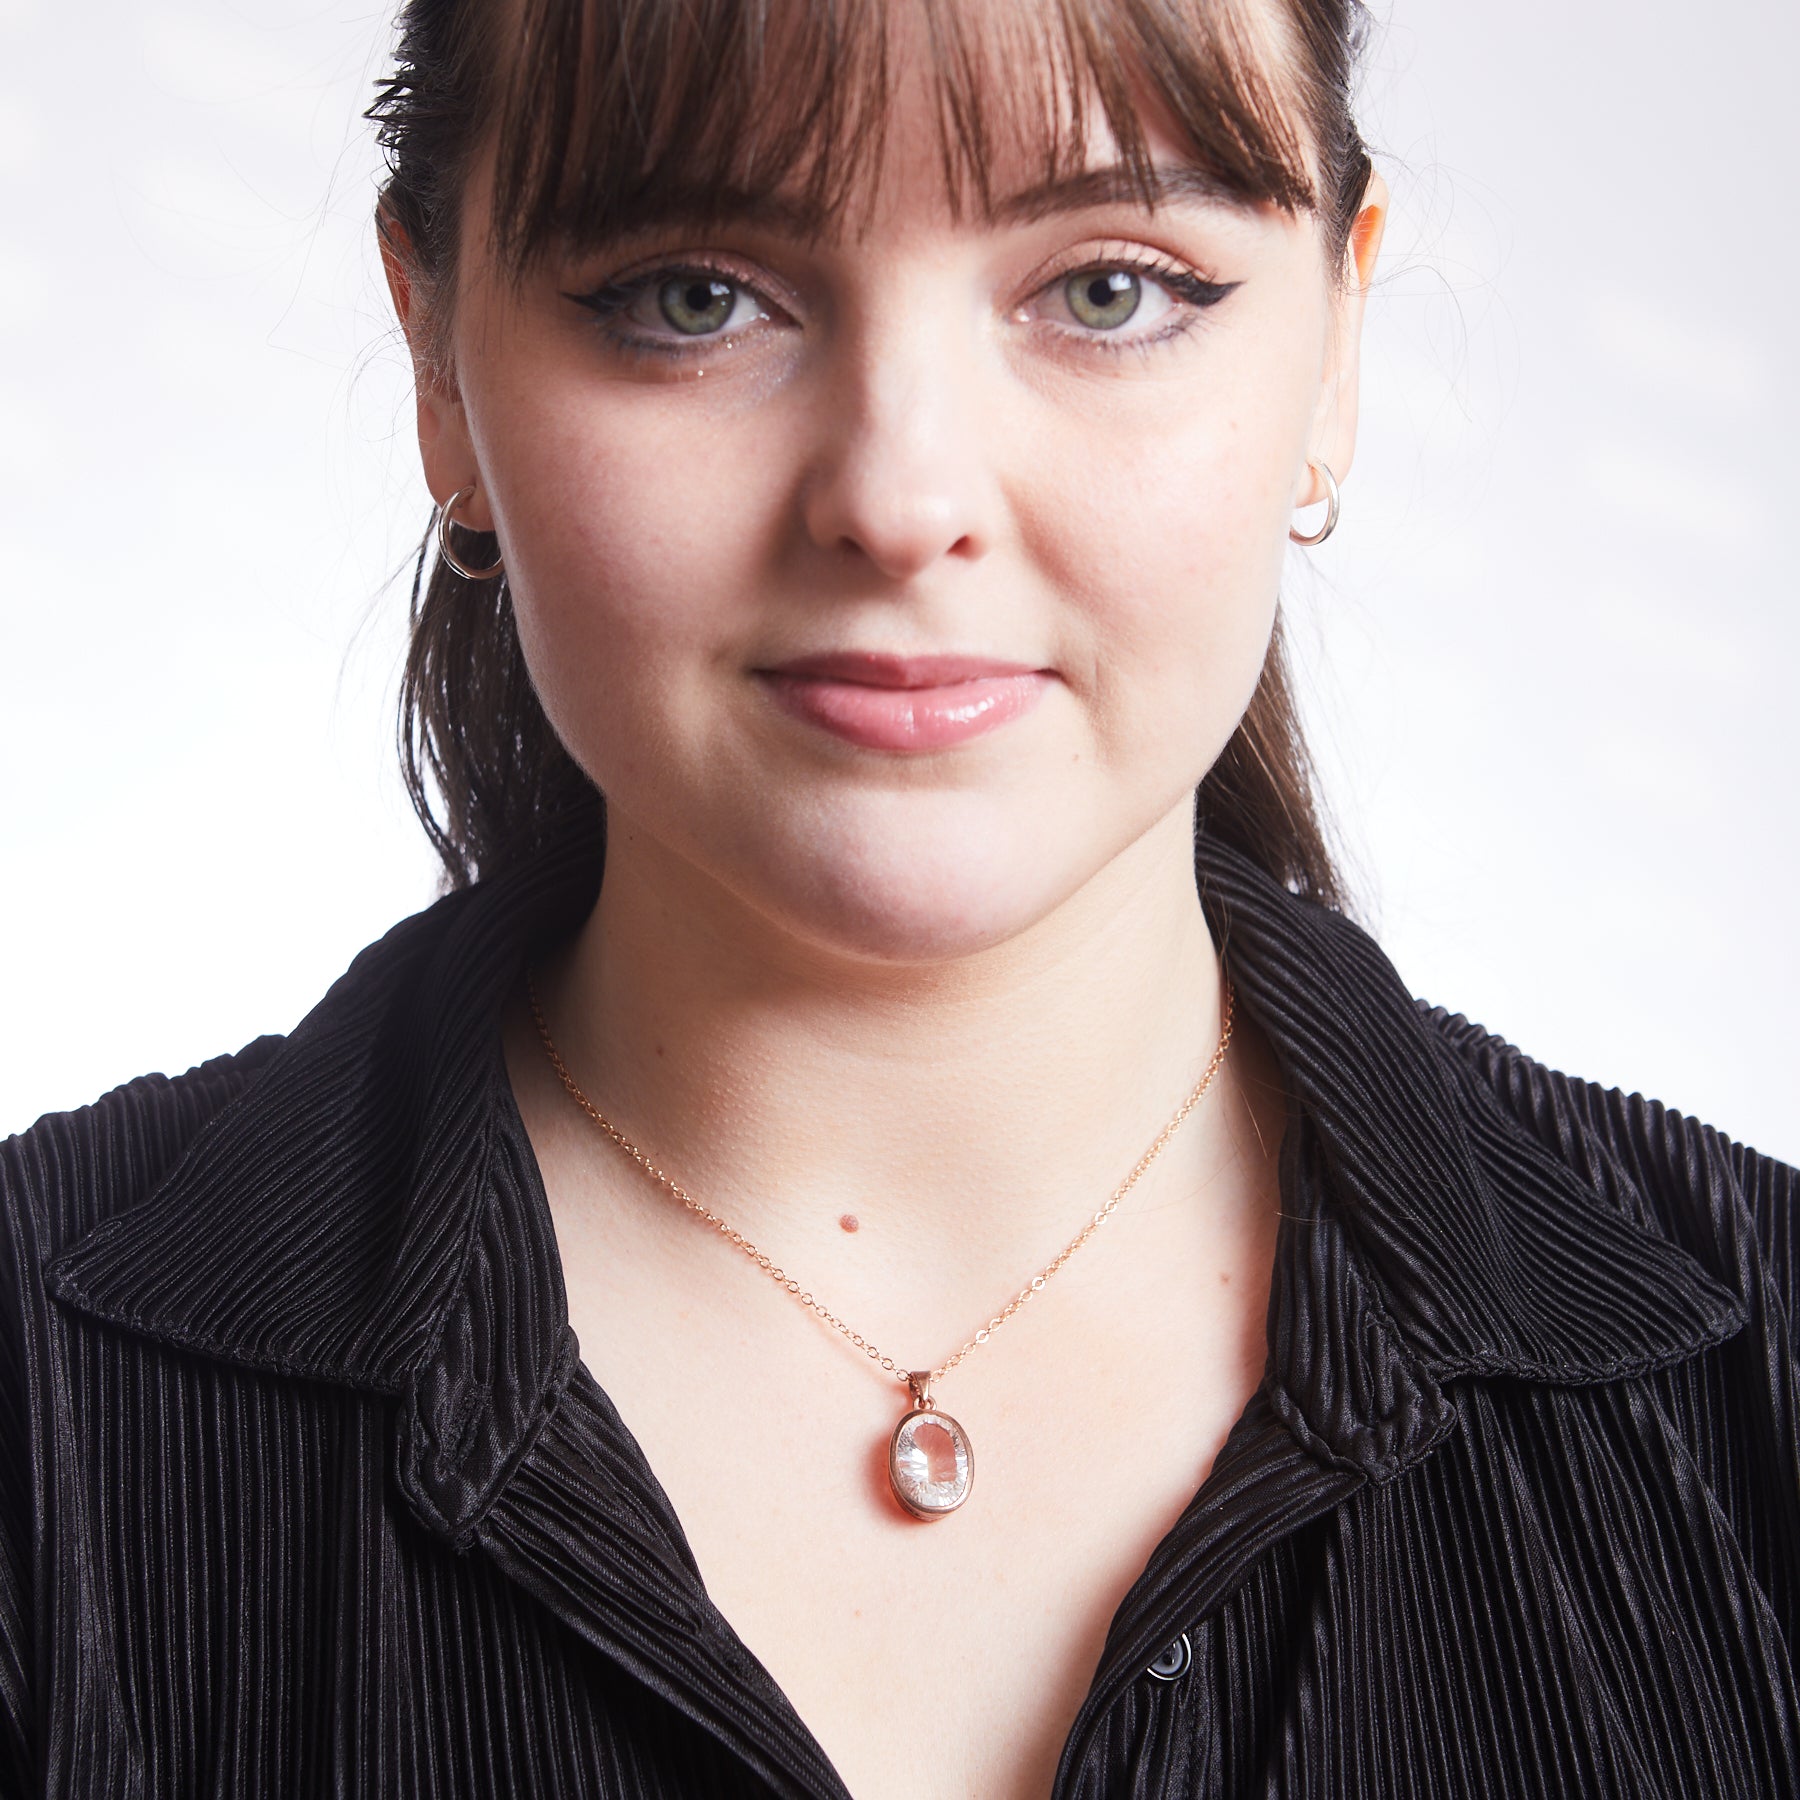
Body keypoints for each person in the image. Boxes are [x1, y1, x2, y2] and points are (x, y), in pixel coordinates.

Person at [1, 0, 1793, 1794]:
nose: (903, 496)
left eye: (1110, 288)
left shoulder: (1757, 1376)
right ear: (438, 363)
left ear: (1335, 347)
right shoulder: (41, 1415)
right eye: (693, 293)